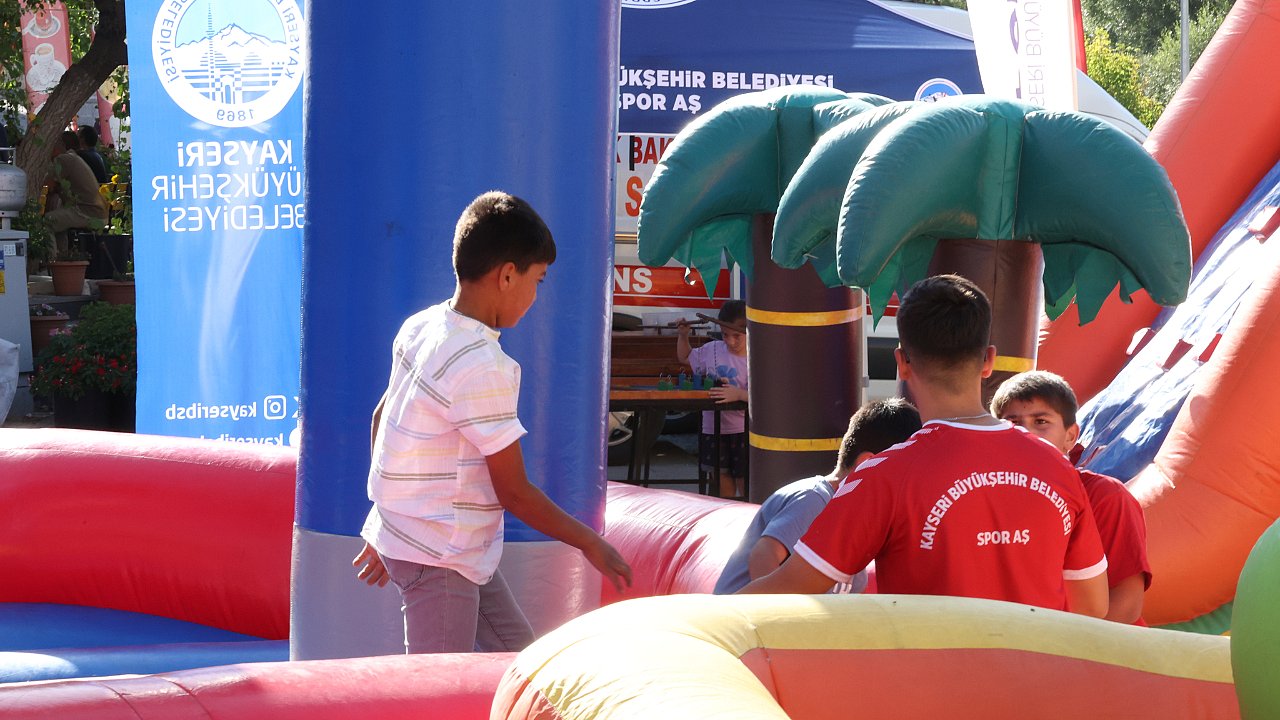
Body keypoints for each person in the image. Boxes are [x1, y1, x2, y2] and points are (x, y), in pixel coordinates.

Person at [352, 191, 632, 654]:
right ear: (507, 276)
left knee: (516, 661)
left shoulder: (422, 326)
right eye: (537, 280)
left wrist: (389, 523)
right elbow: (514, 492)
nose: (536, 296)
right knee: (439, 687)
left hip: (450, 550)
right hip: (441, 556)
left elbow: (384, 418)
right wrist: (590, 543)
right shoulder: (482, 365)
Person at [741, 275, 1109, 619]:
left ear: (902, 363)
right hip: (1039, 665)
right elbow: (1093, 608)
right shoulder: (1058, 467)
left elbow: (785, 591)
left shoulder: (882, 476)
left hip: (928, 667)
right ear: (988, 360)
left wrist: (705, 615)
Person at [990, 370, 1151, 624]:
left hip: (1092, 645)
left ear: (1070, 436)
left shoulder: (1104, 496)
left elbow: (1126, 605)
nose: (1026, 433)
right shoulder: (984, 496)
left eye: (1040, 422)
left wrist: (1051, 647)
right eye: (1013, 423)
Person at [714, 398, 922, 595]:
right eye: (902, 476)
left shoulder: (855, 524)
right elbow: (763, 556)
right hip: (741, 616)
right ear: (867, 465)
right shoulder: (813, 500)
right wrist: (784, 617)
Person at [677, 299, 748, 498]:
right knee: (720, 476)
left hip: (743, 430)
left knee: (744, 478)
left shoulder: (757, 357)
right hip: (712, 428)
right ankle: (727, 511)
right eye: (725, 335)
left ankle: (748, 512)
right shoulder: (712, 349)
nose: (730, 341)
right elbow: (685, 357)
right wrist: (683, 336)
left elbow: (765, 397)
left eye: (737, 335)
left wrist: (739, 394)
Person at [43, 131, 108, 257]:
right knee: (58, 222)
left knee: (46, 222)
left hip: (87, 212)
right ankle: (62, 258)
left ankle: (51, 261)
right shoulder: (74, 158)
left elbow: (46, 185)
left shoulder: (63, 159)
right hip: (98, 212)